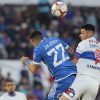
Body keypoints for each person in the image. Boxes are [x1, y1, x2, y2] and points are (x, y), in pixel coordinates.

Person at [21, 31, 77, 100]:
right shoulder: (55, 39)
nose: (32, 46)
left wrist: (26, 61)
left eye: (31, 43)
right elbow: (70, 50)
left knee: (50, 98)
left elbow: (34, 70)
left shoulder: (38, 49)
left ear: (33, 41)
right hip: (75, 73)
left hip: (62, 79)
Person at [59, 24, 100, 100]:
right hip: (95, 85)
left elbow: (74, 62)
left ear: (89, 34)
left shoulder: (83, 44)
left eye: (82, 33)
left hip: (82, 80)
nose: (80, 35)